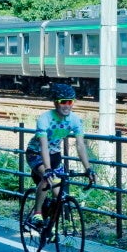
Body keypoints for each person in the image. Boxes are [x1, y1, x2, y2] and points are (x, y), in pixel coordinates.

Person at [25, 84, 92, 212]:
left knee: (60, 195)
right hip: (36, 153)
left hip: (55, 155)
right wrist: (48, 169)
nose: (67, 105)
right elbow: (43, 146)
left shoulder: (75, 120)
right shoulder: (45, 119)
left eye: (70, 102)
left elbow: (80, 145)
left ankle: (51, 223)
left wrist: (88, 168)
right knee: (47, 177)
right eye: (63, 102)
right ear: (56, 103)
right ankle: (37, 213)